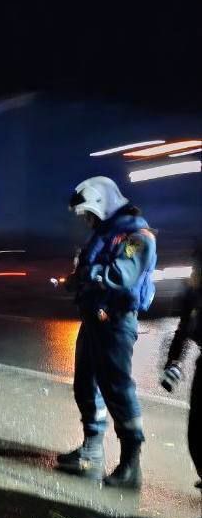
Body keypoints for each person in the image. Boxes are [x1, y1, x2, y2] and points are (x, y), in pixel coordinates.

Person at [57, 176, 157, 488]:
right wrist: (76, 279)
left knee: (117, 389)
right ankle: (92, 450)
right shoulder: (107, 234)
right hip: (94, 319)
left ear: (102, 205)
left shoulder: (136, 237)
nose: (87, 221)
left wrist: (88, 273)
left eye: (89, 215)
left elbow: (121, 275)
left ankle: (130, 465)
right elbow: (95, 271)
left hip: (115, 322)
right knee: (85, 384)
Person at [160, 244, 202, 518]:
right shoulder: (194, 289)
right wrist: (174, 360)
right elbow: (186, 323)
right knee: (197, 439)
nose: (193, 274)